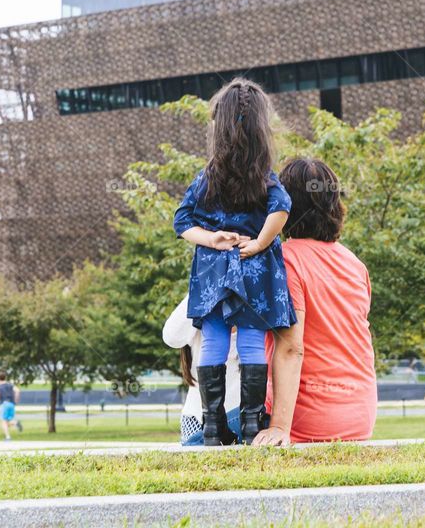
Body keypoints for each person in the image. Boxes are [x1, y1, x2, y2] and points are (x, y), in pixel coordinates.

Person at [172, 78, 296, 446]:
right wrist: (260, 242)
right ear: (262, 127)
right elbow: (283, 208)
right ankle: (252, 424)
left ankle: (212, 426)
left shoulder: (207, 176)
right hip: (253, 268)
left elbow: (182, 221)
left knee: (213, 341)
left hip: (213, 270)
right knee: (252, 343)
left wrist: (211, 239)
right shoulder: (264, 177)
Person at [254, 158, 378, 446]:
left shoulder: (285, 260)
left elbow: (291, 347)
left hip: (309, 419)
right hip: (360, 414)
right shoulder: (355, 264)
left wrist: (280, 428)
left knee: (199, 433)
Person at [162, 294, 242, 445]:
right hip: (197, 418)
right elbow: (171, 337)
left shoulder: (252, 315)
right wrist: (204, 285)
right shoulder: (204, 310)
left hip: (240, 419)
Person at [0, 372, 22, 440]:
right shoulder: (10, 385)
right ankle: (15, 423)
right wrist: (16, 400)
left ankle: (8, 437)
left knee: (3, 421)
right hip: (12, 404)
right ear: (5, 377)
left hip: (4, 404)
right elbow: (17, 390)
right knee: (8, 421)